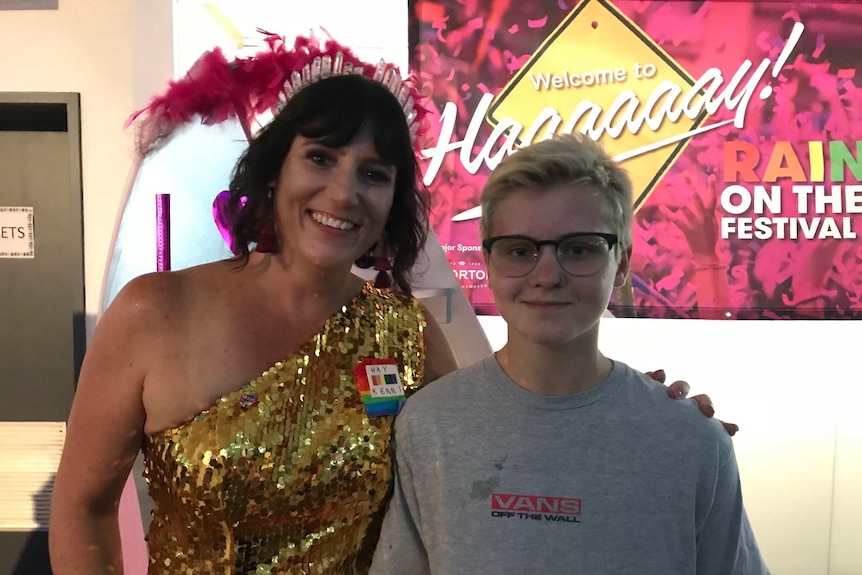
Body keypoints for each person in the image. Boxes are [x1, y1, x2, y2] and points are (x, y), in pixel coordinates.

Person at [49, 36, 732, 575]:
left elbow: (510, 425)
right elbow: (80, 508)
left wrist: (645, 412)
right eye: (320, 157)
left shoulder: (405, 333)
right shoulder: (155, 312)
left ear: (393, 202)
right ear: (276, 167)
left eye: (373, 173)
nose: (345, 192)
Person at [370, 134, 769, 575]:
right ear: (488, 262)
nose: (546, 275)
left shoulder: (694, 443)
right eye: (520, 250)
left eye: (579, 249)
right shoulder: (428, 425)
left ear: (622, 264)